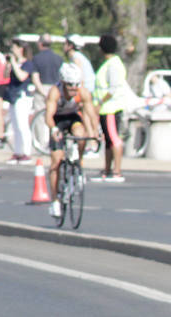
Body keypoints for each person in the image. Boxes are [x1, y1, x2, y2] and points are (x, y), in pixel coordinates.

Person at [45, 62, 97, 219]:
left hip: (72, 118)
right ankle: (54, 201)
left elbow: (91, 114)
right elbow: (48, 116)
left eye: (76, 84)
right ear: (62, 82)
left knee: (81, 134)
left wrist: (96, 133)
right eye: (70, 85)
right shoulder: (55, 92)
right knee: (56, 161)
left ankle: (78, 164)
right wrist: (53, 129)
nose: (74, 88)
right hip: (57, 120)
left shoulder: (83, 93)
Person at [93, 34, 128, 182]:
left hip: (110, 108)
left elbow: (112, 89)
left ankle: (117, 171)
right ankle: (107, 169)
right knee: (108, 140)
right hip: (106, 108)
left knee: (114, 139)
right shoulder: (110, 63)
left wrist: (100, 102)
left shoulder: (113, 65)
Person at [4, 38, 35, 164]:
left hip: (22, 96)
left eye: (14, 48)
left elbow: (22, 76)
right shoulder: (14, 63)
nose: (12, 50)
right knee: (15, 126)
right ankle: (18, 152)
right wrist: (8, 65)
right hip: (12, 96)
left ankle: (27, 153)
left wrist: (15, 64)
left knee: (23, 126)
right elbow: (5, 76)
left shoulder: (27, 64)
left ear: (20, 49)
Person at [31, 33, 63, 112]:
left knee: (40, 118)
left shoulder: (36, 58)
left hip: (42, 89)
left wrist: (44, 93)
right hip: (55, 89)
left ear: (40, 44)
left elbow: (35, 79)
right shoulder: (59, 58)